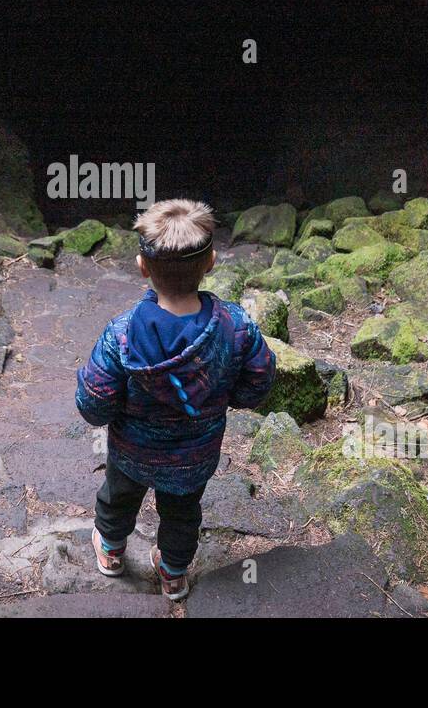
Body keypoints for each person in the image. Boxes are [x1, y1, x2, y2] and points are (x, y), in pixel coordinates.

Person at [75, 199, 277, 600]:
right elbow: (260, 381)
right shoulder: (236, 327)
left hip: (132, 450)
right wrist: (223, 395)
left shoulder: (121, 334)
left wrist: (119, 411)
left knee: (117, 497)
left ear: (142, 267)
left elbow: (93, 401)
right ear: (212, 262)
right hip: (194, 454)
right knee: (183, 513)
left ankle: (112, 552)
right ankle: (173, 573)